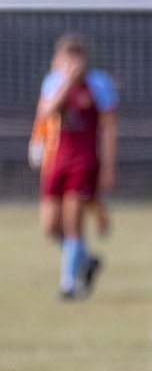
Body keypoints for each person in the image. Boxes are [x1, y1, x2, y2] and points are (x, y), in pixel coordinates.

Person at [33, 33, 119, 300]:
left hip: (84, 161)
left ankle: (68, 284)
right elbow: (45, 115)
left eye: (75, 58)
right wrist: (35, 143)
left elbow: (108, 128)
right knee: (50, 227)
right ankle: (86, 260)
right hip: (55, 161)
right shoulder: (53, 83)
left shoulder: (99, 85)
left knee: (73, 222)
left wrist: (108, 167)